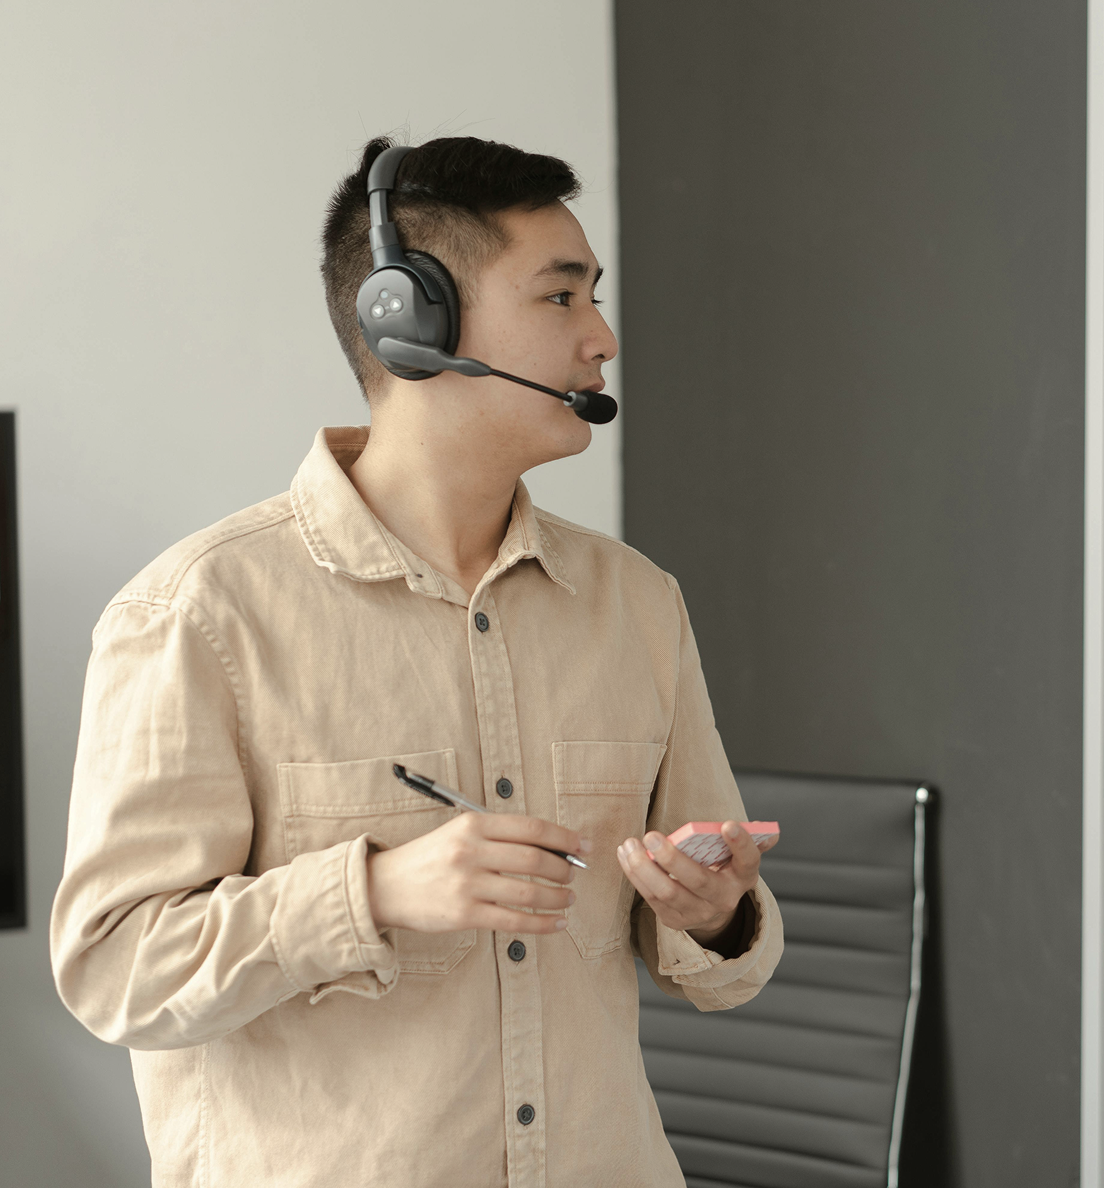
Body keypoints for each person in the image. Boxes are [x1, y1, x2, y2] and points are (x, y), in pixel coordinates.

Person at [50, 135, 783, 1188]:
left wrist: (715, 913)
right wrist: (374, 892)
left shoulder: (638, 604)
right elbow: (113, 971)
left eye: (594, 298)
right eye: (561, 297)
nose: (603, 338)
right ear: (413, 321)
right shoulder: (197, 614)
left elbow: (729, 967)